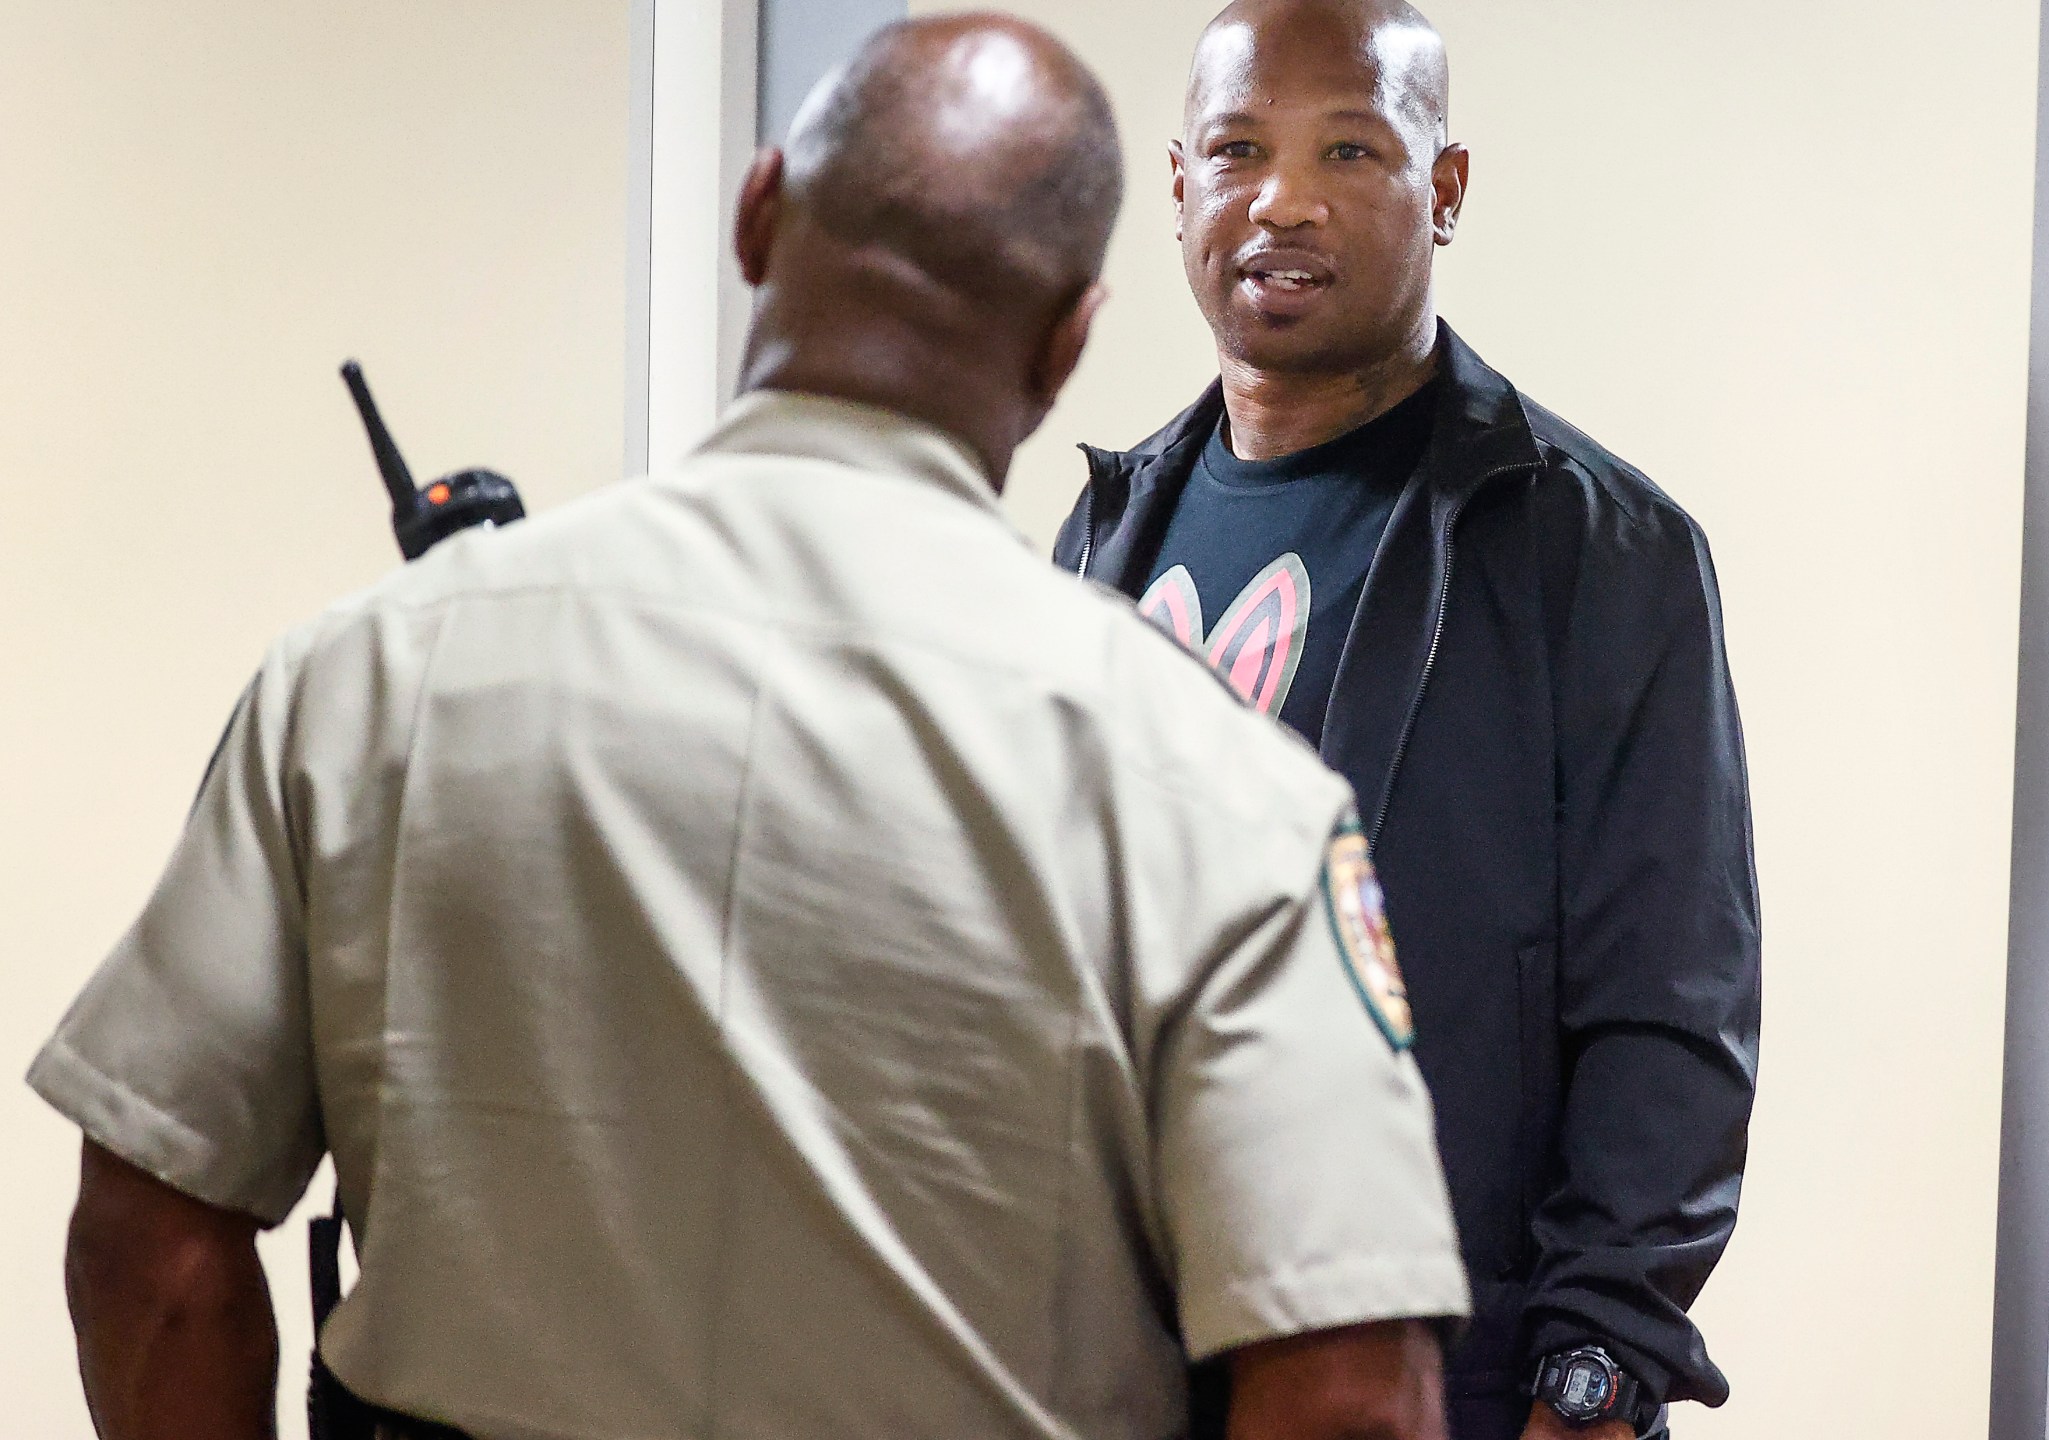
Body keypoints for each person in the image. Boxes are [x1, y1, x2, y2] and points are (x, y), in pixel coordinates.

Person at [32, 16, 1472, 1440]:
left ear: (756, 211)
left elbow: (150, 1257)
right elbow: (1347, 1396)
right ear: (1065, 340)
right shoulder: (1222, 796)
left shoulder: (366, 684)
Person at [1051, 3, 1761, 1438]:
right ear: (1181, 186)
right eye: (1240, 149)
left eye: (1351, 149)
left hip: (1433, 1380)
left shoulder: (1594, 547)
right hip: (1120, 1363)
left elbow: (1670, 1012)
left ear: (1442, 192)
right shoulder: (1104, 536)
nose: (1284, 200)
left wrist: (1598, 1375)